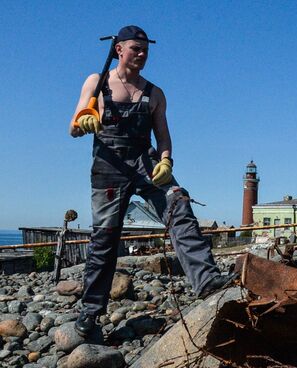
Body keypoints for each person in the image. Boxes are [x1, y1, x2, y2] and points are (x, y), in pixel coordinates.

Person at [69, 26, 234, 337]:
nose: (142, 54)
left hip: (146, 162)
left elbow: (164, 136)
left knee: (179, 204)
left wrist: (167, 160)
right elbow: (73, 127)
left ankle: (207, 280)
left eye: (145, 49)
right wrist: (84, 121)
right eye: (135, 48)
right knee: (104, 240)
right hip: (108, 166)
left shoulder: (154, 93)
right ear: (119, 49)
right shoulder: (97, 82)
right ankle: (90, 313)